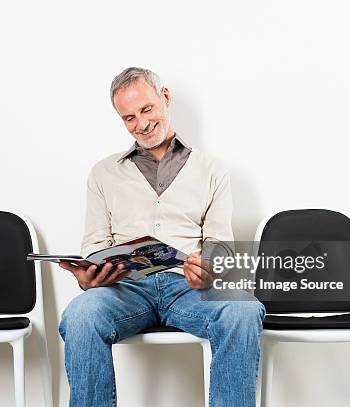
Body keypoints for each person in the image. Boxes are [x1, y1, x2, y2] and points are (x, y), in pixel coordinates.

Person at [58, 67, 265, 407]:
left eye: (147, 109)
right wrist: (90, 277)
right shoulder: (103, 173)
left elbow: (220, 246)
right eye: (128, 118)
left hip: (189, 287)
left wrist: (210, 268)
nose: (141, 124)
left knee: (243, 311)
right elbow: (94, 245)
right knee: (80, 315)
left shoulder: (211, 170)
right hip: (124, 289)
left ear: (165, 98)